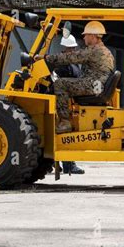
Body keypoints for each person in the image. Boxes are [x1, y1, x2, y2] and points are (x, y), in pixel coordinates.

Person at [34, 21, 114, 133]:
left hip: (93, 85)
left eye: (85, 35)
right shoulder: (106, 52)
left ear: (92, 36)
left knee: (60, 84)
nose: (84, 37)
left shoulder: (94, 50)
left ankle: (65, 122)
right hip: (97, 85)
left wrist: (46, 57)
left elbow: (71, 57)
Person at [52, 27, 84, 175]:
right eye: (69, 48)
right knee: (65, 131)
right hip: (63, 102)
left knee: (67, 132)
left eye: (73, 48)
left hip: (67, 102)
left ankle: (69, 164)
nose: (72, 50)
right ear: (65, 48)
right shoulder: (64, 63)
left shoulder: (71, 63)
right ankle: (69, 165)